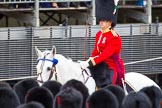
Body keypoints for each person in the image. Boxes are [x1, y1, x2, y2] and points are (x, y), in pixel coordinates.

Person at [78, 0, 125, 88]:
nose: (101, 22)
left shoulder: (114, 37)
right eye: (100, 20)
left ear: (110, 22)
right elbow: (96, 51)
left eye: (104, 20)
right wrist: (88, 61)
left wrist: (91, 62)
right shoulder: (99, 34)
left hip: (111, 66)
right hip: (100, 64)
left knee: (108, 86)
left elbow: (105, 55)